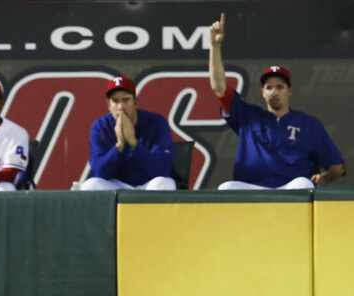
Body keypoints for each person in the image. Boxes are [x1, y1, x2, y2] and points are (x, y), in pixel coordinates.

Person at [209, 13, 346, 190]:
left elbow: (337, 168)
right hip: (252, 190)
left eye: (280, 87)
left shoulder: (308, 125)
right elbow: (219, 88)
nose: (274, 91)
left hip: (291, 191)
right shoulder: (247, 116)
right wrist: (214, 46)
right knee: (226, 188)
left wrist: (324, 177)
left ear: (289, 91)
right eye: (269, 87)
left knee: (303, 183)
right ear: (262, 92)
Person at [79, 75, 176, 191]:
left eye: (126, 100)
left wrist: (134, 143)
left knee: (164, 184)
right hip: (116, 186)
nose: (121, 107)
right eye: (115, 101)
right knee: (90, 186)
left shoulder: (156, 122)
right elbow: (99, 171)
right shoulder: (101, 126)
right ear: (109, 105)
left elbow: (162, 169)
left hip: (148, 184)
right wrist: (119, 145)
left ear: (135, 102)